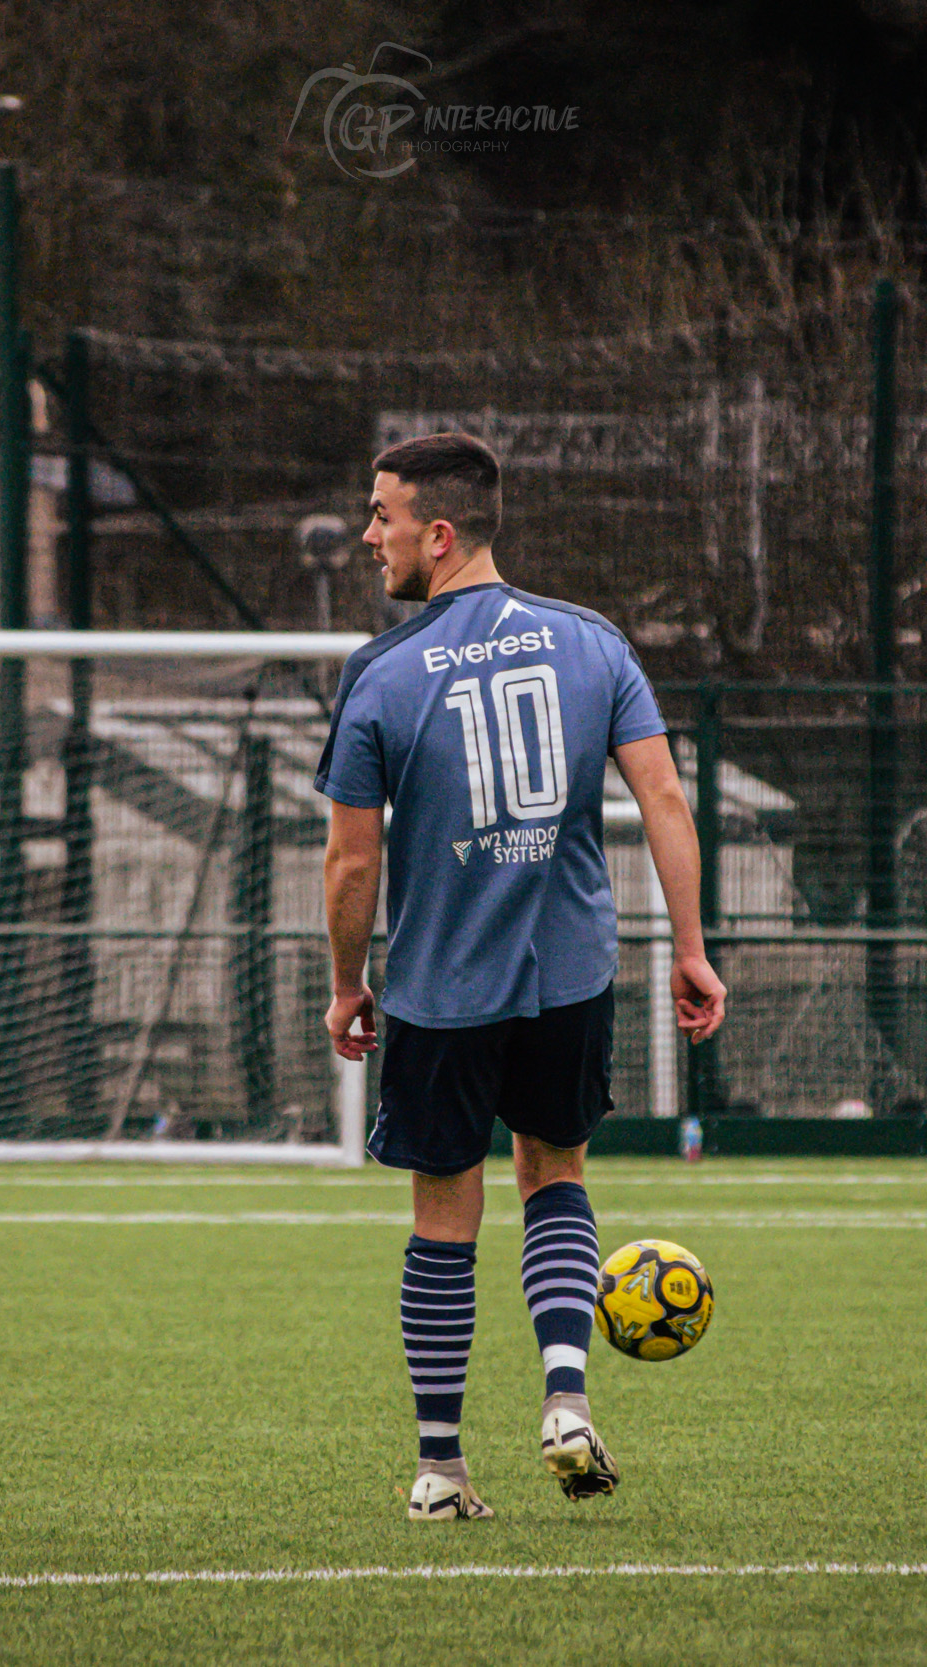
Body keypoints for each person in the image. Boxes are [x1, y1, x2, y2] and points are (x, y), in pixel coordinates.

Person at [314, 431, 726, 1521]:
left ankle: (441, 1469)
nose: (370, 534)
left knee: (444, 1218)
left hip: (439, 988)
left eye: (382, 514)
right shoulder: (592, 643)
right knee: (556, 1175)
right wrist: (688, 947)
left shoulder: (380, 673)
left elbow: (353, 857)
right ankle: (563, 1394)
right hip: (569, 977)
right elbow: (666, 804)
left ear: (436, 535)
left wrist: (346, 982)